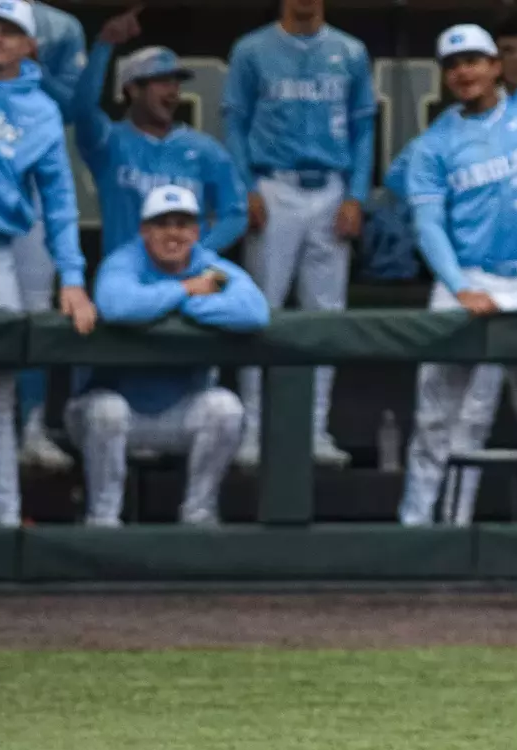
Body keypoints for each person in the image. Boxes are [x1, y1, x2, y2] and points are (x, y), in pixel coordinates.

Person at [396, 1, 517, 529]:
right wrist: (458, 286)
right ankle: (416, 529)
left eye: (475, 59)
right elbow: (428, 227)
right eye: (454, 64)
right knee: (438, 419)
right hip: (466, 279)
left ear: (496, 64)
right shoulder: (434, 145)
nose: (464, 71)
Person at [0, 0, 94, 528]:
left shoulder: (41, 113)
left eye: (9, 31)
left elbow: (59, 205)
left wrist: (74, 280)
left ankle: (8, 526)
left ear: (30, 45)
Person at [224, 0, 376, 468]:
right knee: (258, 311)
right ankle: (251, 431)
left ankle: (315, 430)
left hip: (329, 187)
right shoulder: (252, 49)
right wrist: (244, 187)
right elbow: (235, 121)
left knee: (325, 318)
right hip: (274, 185)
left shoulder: (350, 51)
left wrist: (356, 195)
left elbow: (363, 127)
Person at [69, 187, 266, 526]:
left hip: (178, 410)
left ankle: (199, 513)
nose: (173, 233)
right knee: (108, 412)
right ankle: (102, 519)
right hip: (105, 411)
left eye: (182, 223)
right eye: (161, 224)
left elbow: (254, 310)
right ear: (145, 230)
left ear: (196, 231)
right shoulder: (126, 260)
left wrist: (186, 305)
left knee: (225, 409)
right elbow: (117, 305)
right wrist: (184, 290)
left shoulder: (208, 265)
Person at [71, 8, 247, 256]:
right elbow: (82, 109)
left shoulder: (204, 149)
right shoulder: (109, 142)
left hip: (187, 279)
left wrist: (199, 254)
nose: (174, 91)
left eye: (176, 82)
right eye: (163, 81)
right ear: (133, 89)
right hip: (127, 276)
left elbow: (235, 212)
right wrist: (104, 44)